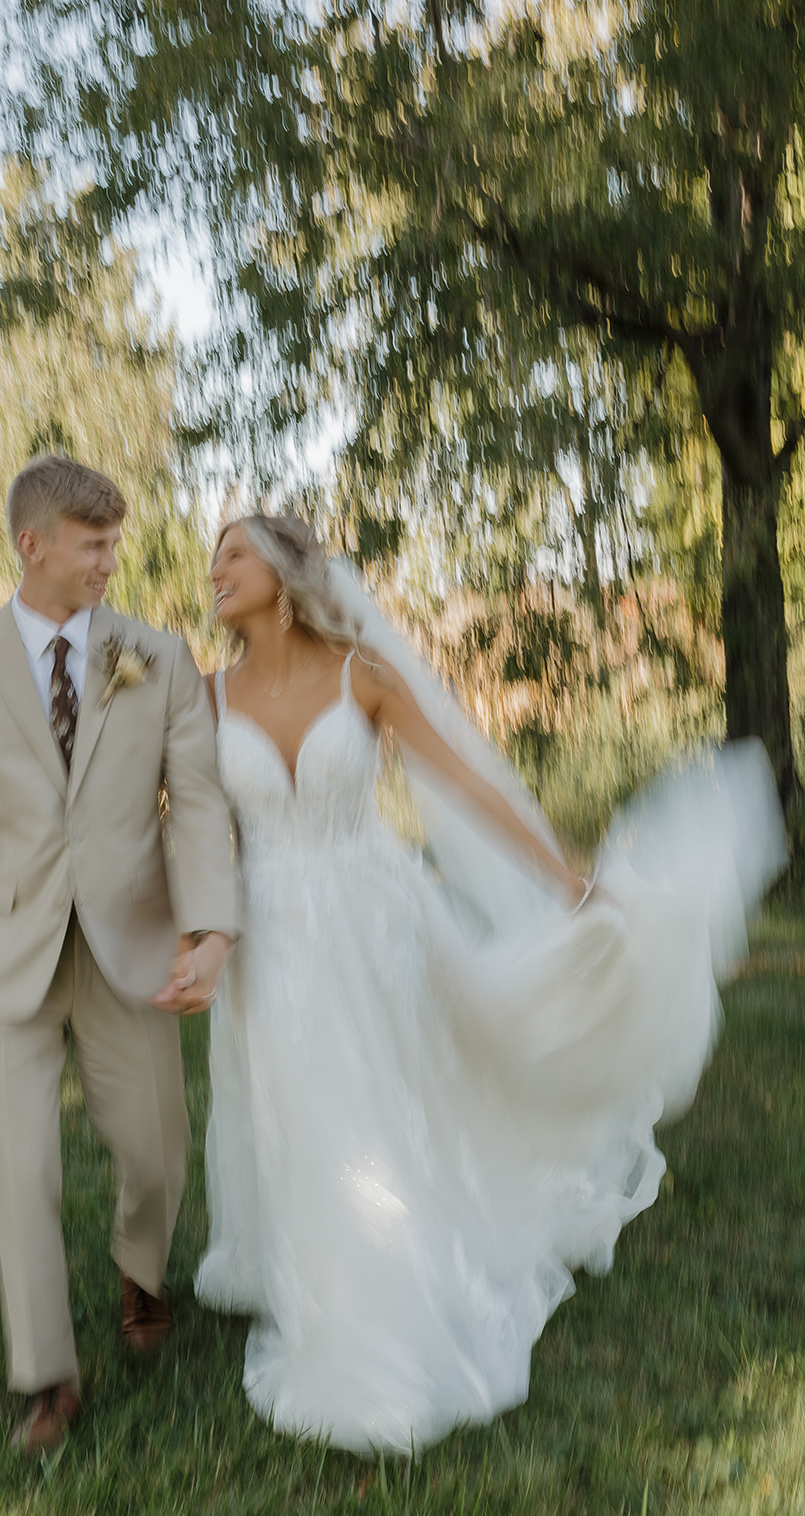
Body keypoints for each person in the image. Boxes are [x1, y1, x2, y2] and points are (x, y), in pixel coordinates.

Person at [189, 512, 786, 1455]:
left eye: (233, 552)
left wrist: (561, 875)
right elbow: (184, 824)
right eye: (212, 557)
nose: (214, 568)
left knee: (380, 1102)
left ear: (286, 570)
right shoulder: (204, 697)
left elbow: (462, 782)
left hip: (377, 921)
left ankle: (392, 1301)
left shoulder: (364, 678)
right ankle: (326, 1281)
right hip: (272, 943)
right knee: (302, 1110)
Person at [0, 455, 242, 1457]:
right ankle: (48, 1378)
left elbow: (194, 801)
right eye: (93, 544)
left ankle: (140, 1267)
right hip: (3, 947)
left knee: (153, 1146)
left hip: (130, 942)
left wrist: (210, 927)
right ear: (34, 545)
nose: (111, 560)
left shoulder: (158, 656)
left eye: (113, 543)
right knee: (21, 1171)